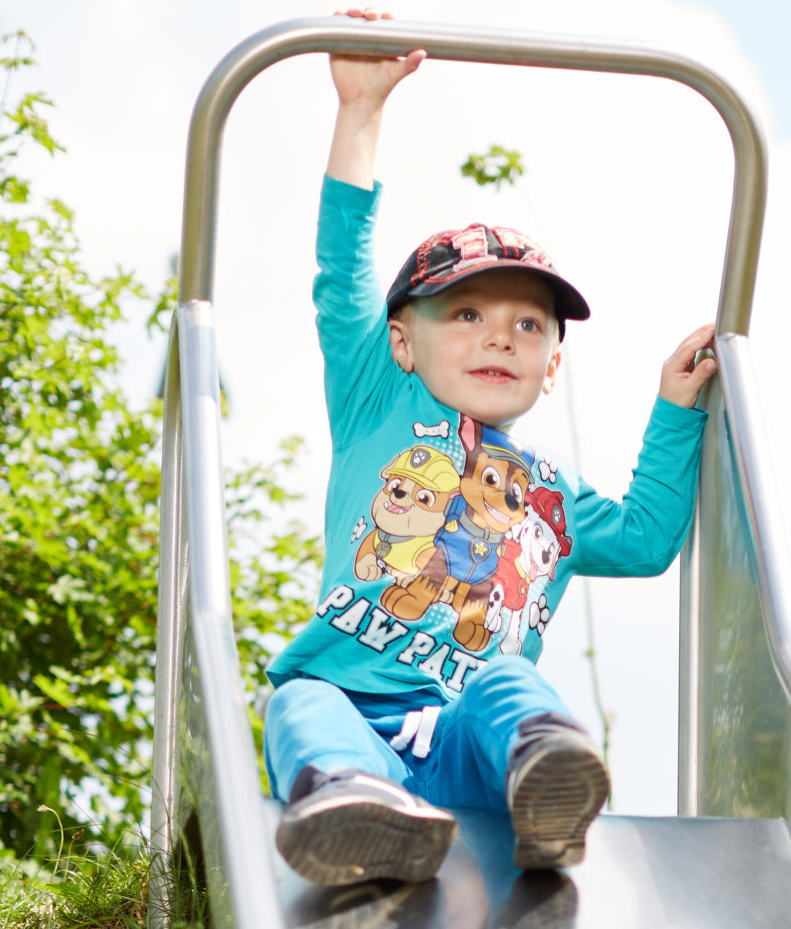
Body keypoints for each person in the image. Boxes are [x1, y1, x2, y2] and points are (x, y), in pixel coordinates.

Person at [262, 7, 717, 887]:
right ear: (404, 340)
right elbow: (340, 280)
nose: (499, 337)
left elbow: (653, 533)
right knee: (298, 699)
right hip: (356, 720)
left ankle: (548, 789)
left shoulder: (552, 492)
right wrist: (360, 113)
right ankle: (349, 805)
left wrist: (674, 408)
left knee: (509, 688)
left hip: (471, 746)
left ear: (552, 366)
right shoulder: (376, 402)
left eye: (526, 324)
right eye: (466, 314)